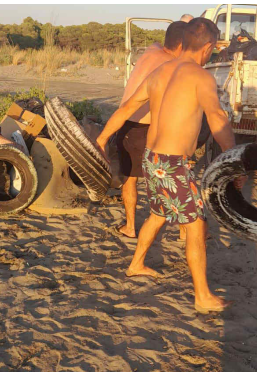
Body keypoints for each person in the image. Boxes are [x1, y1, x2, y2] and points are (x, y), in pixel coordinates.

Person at [96, 18, 242, 313]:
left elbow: (125, 109)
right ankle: (202, 296)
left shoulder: (160, 71)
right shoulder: (201, 77)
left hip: (152, 158)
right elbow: (217, 121)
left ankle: (136, 264)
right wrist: (235, 160)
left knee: (158, 214)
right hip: (173, 164)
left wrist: (101, 138)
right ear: (209, 47)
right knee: (196, 225)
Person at [95, 21, 187, 240]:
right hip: (140, 128)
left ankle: (130, 227)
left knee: (133, 178)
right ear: (183, 44)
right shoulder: (172, 67)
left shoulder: (152, 49)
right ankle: (183, 229)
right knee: (161, 178)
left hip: (128, 124)